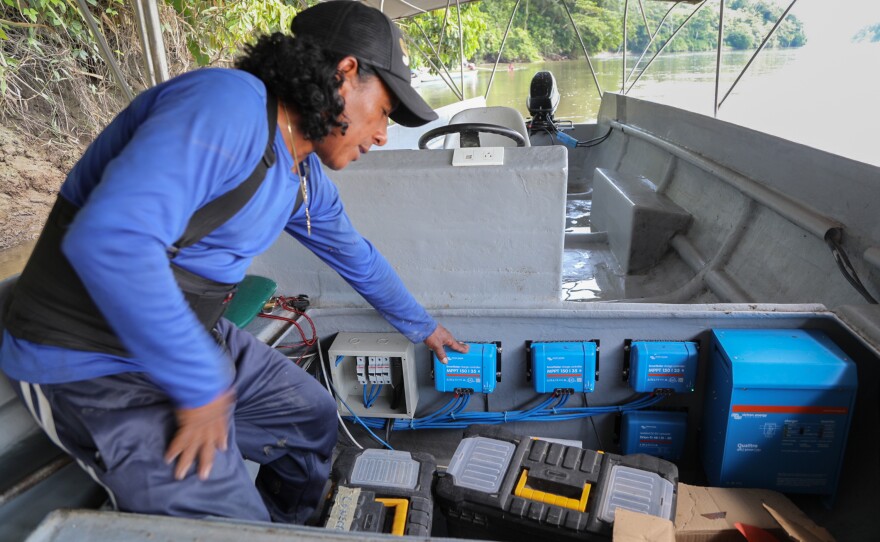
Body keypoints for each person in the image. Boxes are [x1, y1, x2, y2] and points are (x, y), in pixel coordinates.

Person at [0, 1, 467, 525]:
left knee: (311, 418)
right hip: (90, 359)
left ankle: (285, 527)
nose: (383, 134)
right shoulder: (229, 105)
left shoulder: (302, 173)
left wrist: (424, 327)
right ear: (345, 74)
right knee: (224, 524)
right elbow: (111, 240)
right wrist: (202, 387)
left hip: (188, 336)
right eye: (384, 111)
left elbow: (356, 256)